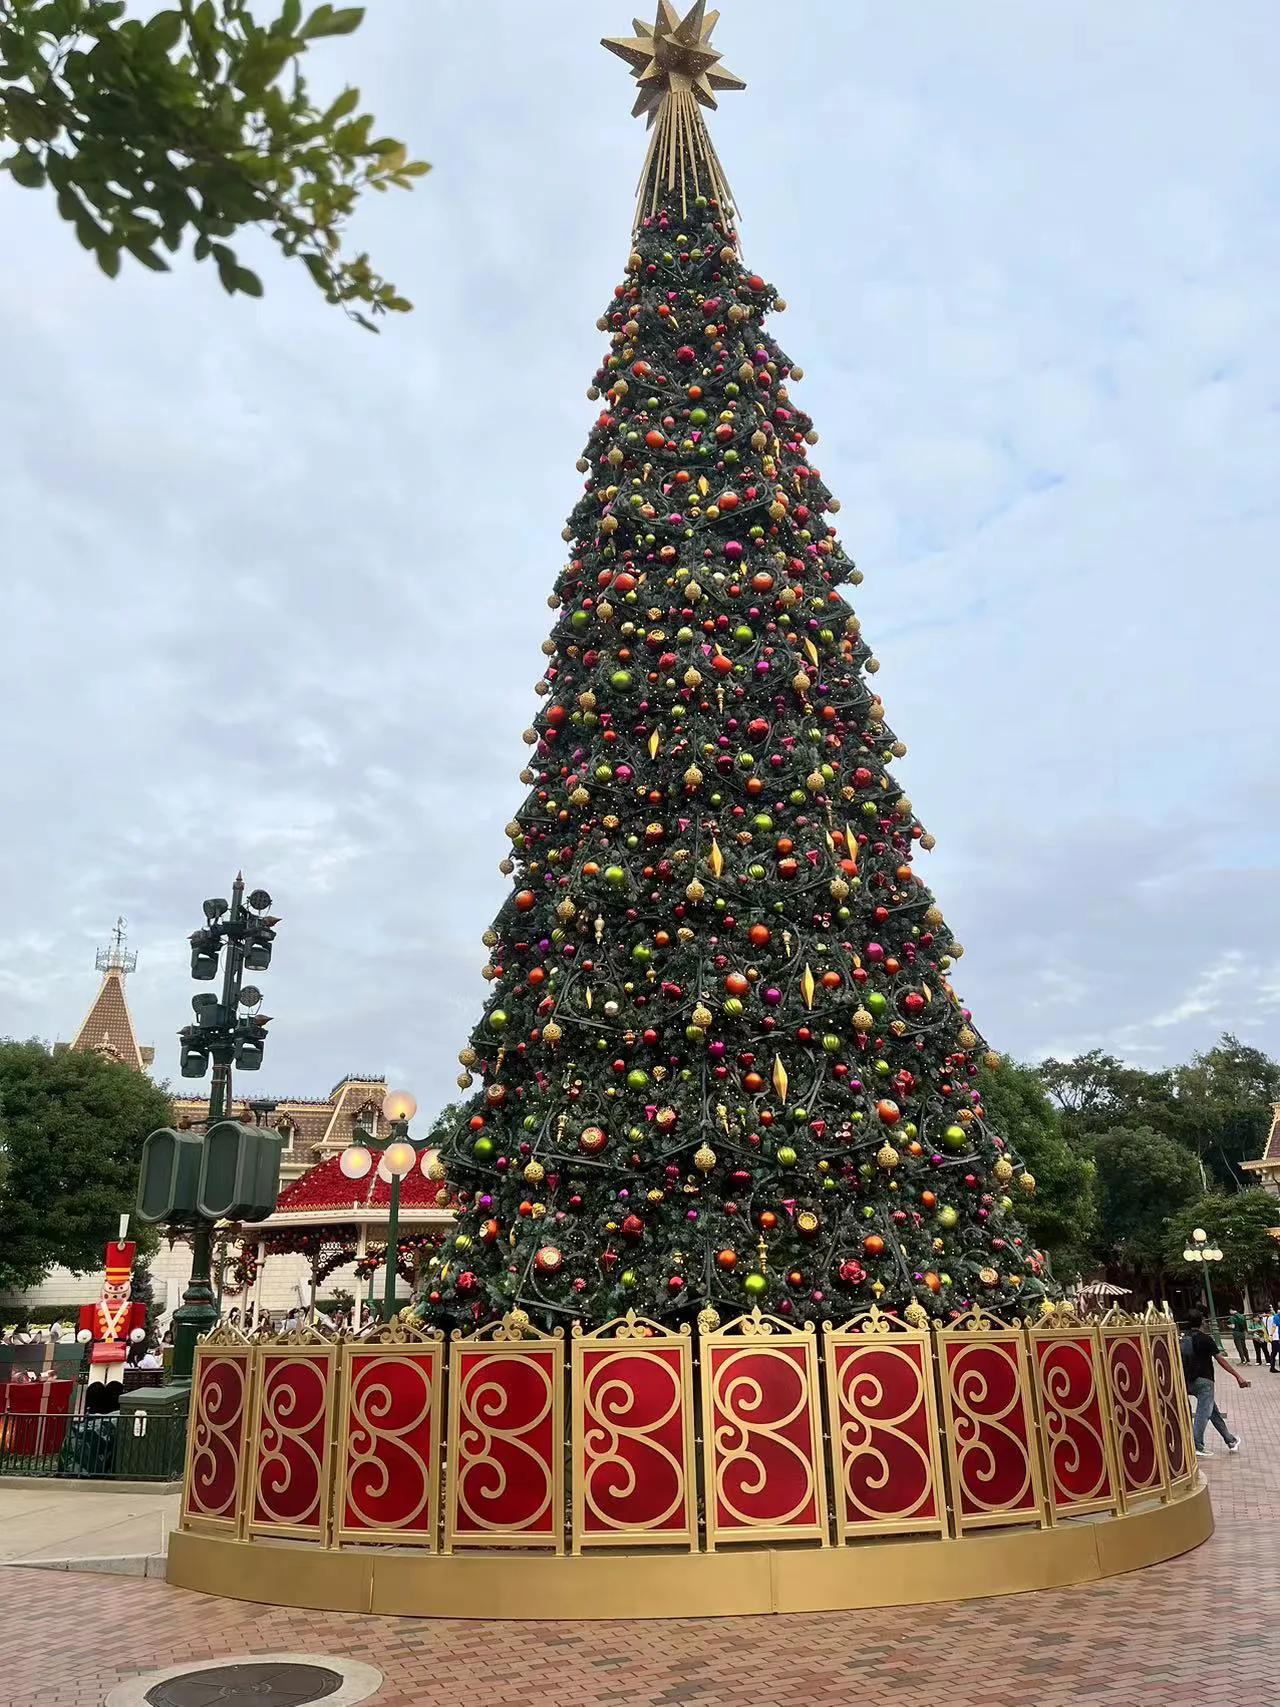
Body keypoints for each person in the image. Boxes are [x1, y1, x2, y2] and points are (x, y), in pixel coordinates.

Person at [1182, 1308, 1248, 1457]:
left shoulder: (1183, 1339)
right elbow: (1221, 1360)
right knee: (1203, 1413)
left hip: (1187, 1380)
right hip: (1204, 1381)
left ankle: (1230, 1440)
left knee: (1213, 1412)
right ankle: (1197, 1444)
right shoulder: (1205, 1339)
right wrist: (1237, 1376)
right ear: (1202, 1322)